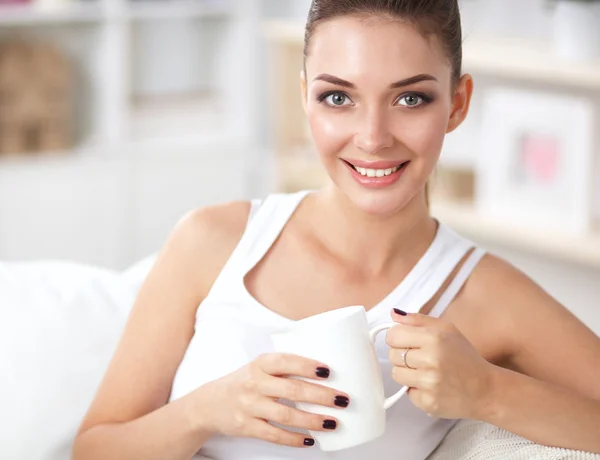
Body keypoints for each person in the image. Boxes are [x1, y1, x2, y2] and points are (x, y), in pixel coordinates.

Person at [71, 0, 600, 459]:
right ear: (305, 96)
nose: (372, 138)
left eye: (410, 98)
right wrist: (205, 410)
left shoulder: (487, 294)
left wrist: (488, 392)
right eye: (338, 98)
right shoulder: (213, 240)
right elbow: (93, 450)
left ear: (457, 103)